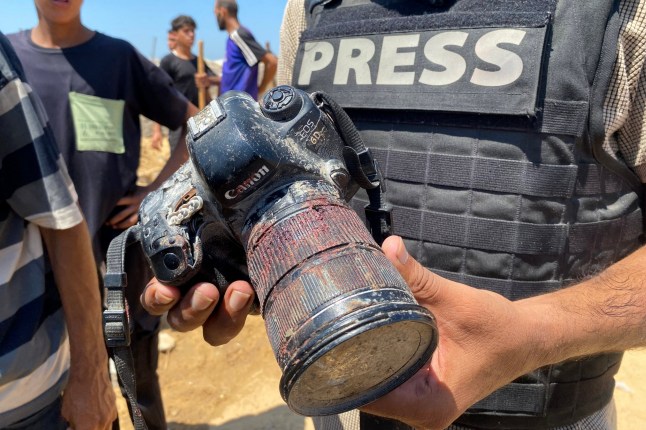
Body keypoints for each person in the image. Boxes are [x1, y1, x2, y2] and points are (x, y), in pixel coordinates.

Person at [142, 0, 646, 429]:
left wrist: (534, 335)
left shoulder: (618, 12)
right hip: (341, 403)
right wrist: (259, 260)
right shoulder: (311, 10)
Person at [7, 1, 199, 428]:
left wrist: (154, 193)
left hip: (115, 259)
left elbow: (195, 124)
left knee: (136, 377)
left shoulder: (117, 58)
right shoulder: (9, 61)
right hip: (36, 270)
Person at [0, 31, 116, 429]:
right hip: (69, 262)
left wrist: (149, 193)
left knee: (135, 354)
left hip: (101, 245)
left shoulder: (117, 56)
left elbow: (62, 214)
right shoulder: (19, 49)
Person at [152, 15, 219, 153]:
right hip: (180, 124)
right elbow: (159, 94)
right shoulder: (168, 61)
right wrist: (157, 130)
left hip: (201, 121)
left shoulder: (198, 62)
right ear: (175, 35)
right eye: (186, 31)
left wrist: (208, 80)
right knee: (181, 163)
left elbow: (219, 79)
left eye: (193, 31)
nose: (191, 35)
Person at [214, 0, 277, 100]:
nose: (215, 17)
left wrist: (260, 89)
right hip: (230, 104)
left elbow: (272, 62)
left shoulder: (239, 35)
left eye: (216, 13)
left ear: (223, 11)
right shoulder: (232, 38)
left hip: (240, 104)